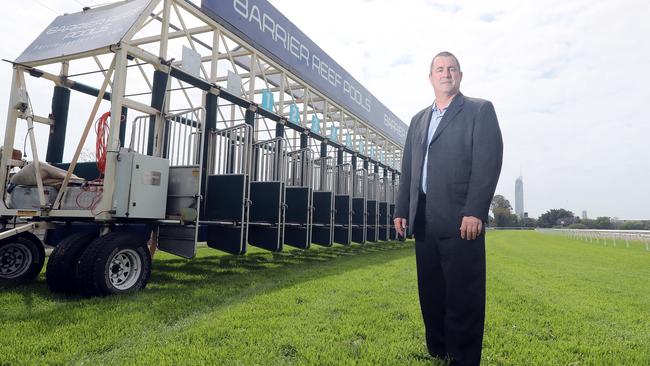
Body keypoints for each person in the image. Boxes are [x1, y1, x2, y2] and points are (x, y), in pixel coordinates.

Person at [393, 51, 503, 365]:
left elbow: (487, 162)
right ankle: (439, 349)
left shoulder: (479, 111)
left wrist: (476, 210)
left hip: (460, 218)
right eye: (439, 69)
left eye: (451, 68)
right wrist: (402, 209)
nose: (445, 73)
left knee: (463, 293)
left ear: (460, 75)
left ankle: (464, 357)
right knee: (431, 291)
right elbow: (409, 169)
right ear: (431, 78)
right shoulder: (418, 120)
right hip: (423, 217)